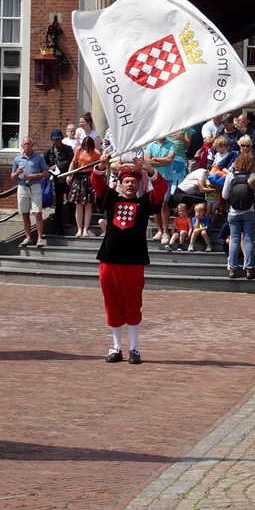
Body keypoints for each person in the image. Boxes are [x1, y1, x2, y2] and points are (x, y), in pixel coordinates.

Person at [91, 155, 167, 364]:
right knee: (112, 304)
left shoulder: (145, 203)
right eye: (126, 182)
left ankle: (134, 348)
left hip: (134, 262)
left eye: (134, 181)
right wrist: (102, 166)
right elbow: (96, 182)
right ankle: (116, 347)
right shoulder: (111, 199)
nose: (130, 184)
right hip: (109, 261)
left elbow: (161, 188)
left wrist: (150, 170)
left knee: (133, 304)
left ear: (139, 184)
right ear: (120, 184)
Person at [222, 151, 255, 279]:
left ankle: (232, 268)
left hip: (233, 212)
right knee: (248, 239)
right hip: (249, 211)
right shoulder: (252, 175)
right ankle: (249, 268)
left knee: (235, 239)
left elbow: (224, 195)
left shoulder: (230, 176)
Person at [11, 137, 49, 248]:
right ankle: (28, 237)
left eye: (29, 144)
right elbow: (12, 176)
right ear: (22, 146)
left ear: (32, 145)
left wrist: (35, 175)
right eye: (25, 144)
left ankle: (40, 238)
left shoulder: (39, 158)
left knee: (37, 213)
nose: (27, 146)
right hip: (22, 186)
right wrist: (17, 172)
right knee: (24, 213)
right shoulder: (18, 159)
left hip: (35, 186)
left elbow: (46, 172)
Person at [145, 134, 176, 243]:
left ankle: (166, 232)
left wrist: (156, 159)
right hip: (153, 178)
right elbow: (148, 161)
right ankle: (159, 230)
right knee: (156, 205)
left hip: (166, 178)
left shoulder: (171, 144)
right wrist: (163, 160)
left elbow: (170, 159)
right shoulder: (150, 145)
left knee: (164, 204)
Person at [67, 136, 100, 237]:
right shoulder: (78, 150)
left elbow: (98, 168)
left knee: (88, 204)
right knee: (78, 204)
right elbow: (74, 163)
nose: (86, 149)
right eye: (85, 146)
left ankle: (86, 229)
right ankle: (79, 229)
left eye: (88, 147)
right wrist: (69, 175)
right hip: (78, 177)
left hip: (90, 177)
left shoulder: (96, 153)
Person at [45, 128, 75, 235]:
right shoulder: (49, 152)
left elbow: (70, 161)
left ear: (61, 139)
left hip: (67, 179)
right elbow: (45, 164)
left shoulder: (68, 149)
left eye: (58, 140)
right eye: (54, 140)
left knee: (71, 200)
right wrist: (49, 169)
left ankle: (72, 221)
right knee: (58, 204)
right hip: (56, 182)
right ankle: (59, 226)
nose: (56, 142)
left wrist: (57, 166)